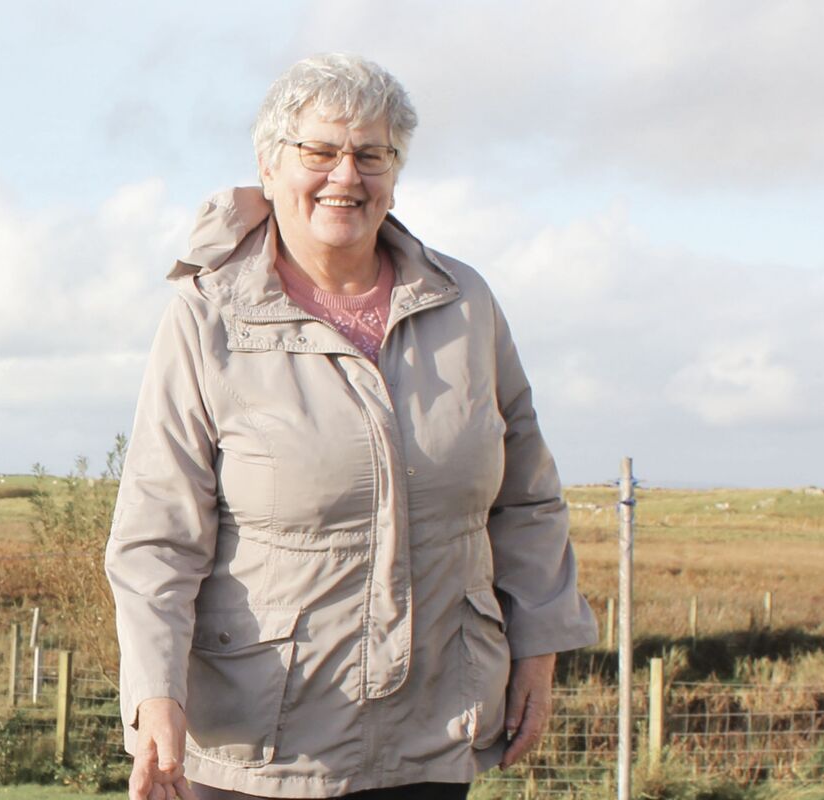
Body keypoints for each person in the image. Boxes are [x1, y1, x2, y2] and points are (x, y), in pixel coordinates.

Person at [105, 53, 597, 800]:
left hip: (431, 733)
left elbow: (526, 499)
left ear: (395, 173)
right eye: (320, 152)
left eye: (372, 155)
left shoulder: (465, 305)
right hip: (260, 745)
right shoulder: (208, 318)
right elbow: (156, 536)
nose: (346, 176)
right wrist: (154, 695)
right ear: (270, 167)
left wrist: (540, 648)